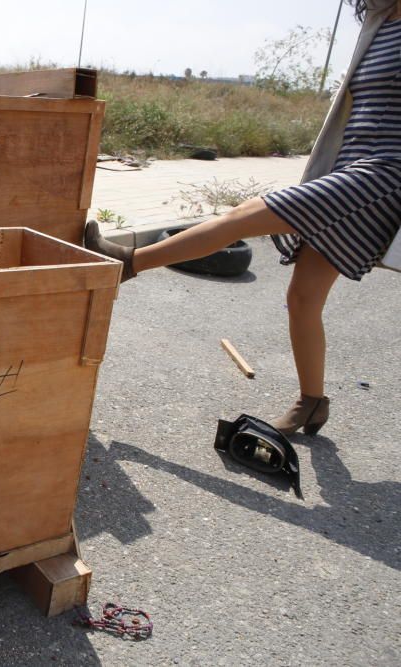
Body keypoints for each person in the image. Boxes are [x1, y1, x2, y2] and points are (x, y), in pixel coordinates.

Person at [85, 0, 401, 437]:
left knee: (245, 213)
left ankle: (129, 263)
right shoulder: (381, 21)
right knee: (303, 298)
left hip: (388, 173)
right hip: (349, 167)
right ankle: (313, 403)